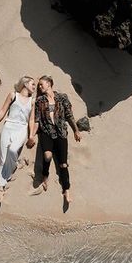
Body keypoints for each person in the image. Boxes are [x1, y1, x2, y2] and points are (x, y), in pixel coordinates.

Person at [29, 75, 81, 204]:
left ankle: (66, 190)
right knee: (47, 156)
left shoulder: (62, 97)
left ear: (49, 83)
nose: (40, 87)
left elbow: (69, 115)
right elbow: (37, 120)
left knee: (63, 164)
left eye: (42, 84)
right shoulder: (39, 101)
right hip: (46, 132)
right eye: (39, 85)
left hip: (61, 133)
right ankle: (45, 174)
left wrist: (76, 130)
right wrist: (32, 135)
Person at [0, 76, 37, 203]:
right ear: (25, 84)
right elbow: (3, 111)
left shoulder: (32, 101)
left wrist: (31, 135)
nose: (34, 86)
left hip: (22, 129)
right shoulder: (13, 95)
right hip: (8, 126)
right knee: (2, 158)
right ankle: (1, 189)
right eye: (33, 84)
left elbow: (31, 119)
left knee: (13, 150)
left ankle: (12, 167)